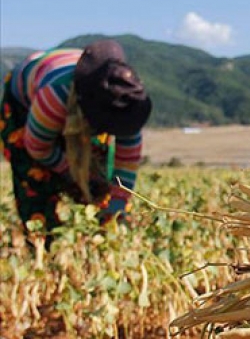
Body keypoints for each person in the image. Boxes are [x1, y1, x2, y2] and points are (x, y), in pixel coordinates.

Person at [1, 39, 152, 244]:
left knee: (99, 170)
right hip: (25, 102)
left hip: (80, 95)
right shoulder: (55, 95)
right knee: (34, 176)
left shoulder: (127, 101)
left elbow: (126, 163)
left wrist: (116, 208)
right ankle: (43, 242)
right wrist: (71, 173)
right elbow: (37, 147)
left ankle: (98, 232)